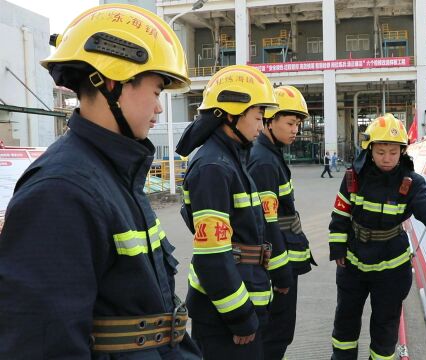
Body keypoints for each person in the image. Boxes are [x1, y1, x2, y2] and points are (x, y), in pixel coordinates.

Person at [0, 5, 201, 358]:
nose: (158, 109)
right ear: (111, 82)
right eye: (156, 92)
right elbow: (43, 342)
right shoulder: (61, 192)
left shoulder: (113, 172)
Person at [328, 114, 426, 360]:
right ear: (370, 149)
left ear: (402, 152)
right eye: (381, 151)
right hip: (353, 265)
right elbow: (340, 214)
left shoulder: (411, 182)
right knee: (345, 322)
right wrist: (338, 250)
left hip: (391, 269)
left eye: (393, 152)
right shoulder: (353, 177)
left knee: (385, 329)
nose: (387, 158)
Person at [175, 65, 277, 360]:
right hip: (225, 314)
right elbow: (212, 258)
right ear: (230, 114)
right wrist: (240, 317)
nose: (261, 126)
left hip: (241, 298)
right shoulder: (213, 167)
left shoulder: (231, 159)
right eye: (257, 117)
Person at [248, 85, 317, 359]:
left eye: (298, 124)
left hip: (283, 259)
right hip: (277, 264)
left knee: (278, 333)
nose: (295, 130)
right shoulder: (264, 161)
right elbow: (267, 224)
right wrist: (280, 273)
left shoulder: (270, 155)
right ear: (269, 120)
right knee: (276, 334)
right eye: (290, 122)